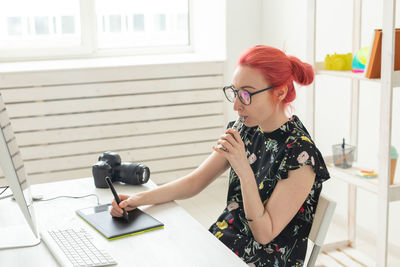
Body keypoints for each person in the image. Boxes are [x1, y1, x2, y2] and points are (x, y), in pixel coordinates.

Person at [110, 45, 330, 266]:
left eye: (246, 94)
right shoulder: (246, 130)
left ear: (279, 92)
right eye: (235, 92)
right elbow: (194, 182)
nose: (236, 105)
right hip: (222, 245)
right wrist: (136, 200)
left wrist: (244, 170)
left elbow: (264, 235)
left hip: (263, 259)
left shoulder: (301, 155)